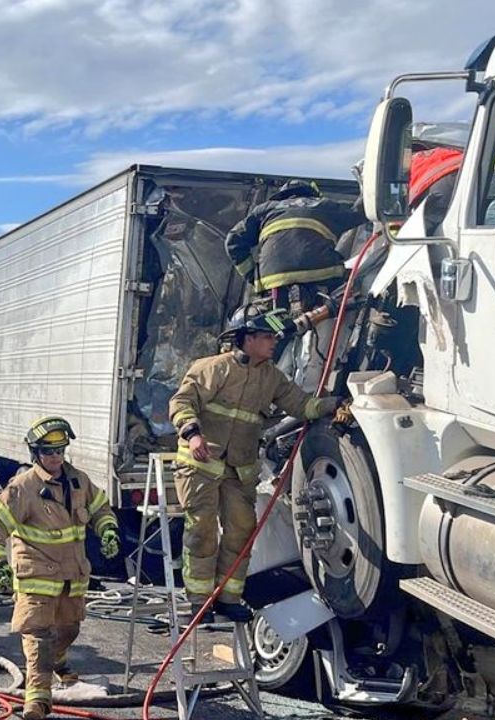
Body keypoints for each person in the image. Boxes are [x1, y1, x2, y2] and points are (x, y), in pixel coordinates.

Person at [167, 307, 341, 623]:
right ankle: (199, 603)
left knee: (242, 531)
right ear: (247, 339)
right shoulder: (212, 368)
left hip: (238, 470)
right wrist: (192, 434)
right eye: (266, 337)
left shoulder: (271, 377)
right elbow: (181, 403)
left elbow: (303, 406)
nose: (274, 342)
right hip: (200, 466)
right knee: (202, 531)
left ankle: (229, 597)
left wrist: (336, 405)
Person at [0, 416, 120, 720]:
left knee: (69, 630)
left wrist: (108, 529)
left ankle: (58, 661)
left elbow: (101, 509)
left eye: (59, 450)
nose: (55, 457)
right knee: (38, 640)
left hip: (73, 580)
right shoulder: (23, 488)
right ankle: (37, 703)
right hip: (36, 581)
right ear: (35, 453)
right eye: (48, 451)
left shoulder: (79, 481)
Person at [224, 180, 365, 391]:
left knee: (278, 333)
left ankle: (269, 388)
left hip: (276, 285)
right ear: (312, 194)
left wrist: (255, 278)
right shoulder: (322, 205)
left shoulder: (264, 210)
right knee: (345, 303)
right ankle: (310, 390)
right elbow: (362, 211)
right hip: (322, 279)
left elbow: (233, 242)